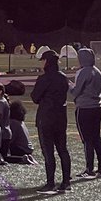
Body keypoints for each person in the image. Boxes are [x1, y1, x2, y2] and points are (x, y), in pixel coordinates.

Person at [32, 50, 71, 193]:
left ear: (46, 62)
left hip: (46, 118)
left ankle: (50, 183)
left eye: (43, 60)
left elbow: (35, 97)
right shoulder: (63, 77)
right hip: (61, 117)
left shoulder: (43, 78)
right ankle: (66, 181)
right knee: (62, 149)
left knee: (48, 152)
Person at [70, 47, 101, 178]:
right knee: (96, 137)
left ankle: (89, 169)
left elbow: (76, 91)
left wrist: (68, 84)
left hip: (84, 108)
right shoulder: (98, 72)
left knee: (87, 139)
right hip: (97, 107)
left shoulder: (83, 72)